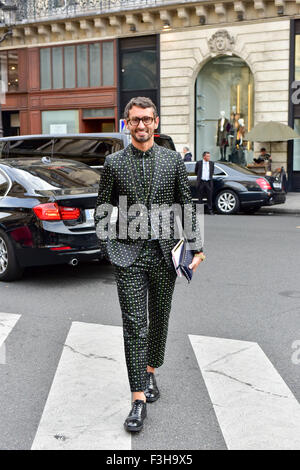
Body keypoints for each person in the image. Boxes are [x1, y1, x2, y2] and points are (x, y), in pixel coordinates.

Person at [94, 97, 204, 433]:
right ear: (126, 123)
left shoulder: (172, 161)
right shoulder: (113, 164)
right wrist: (108, 246)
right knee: (133, 324)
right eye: (134, 120)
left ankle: (151, 371)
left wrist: (196, 248)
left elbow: (185, 205)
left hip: (164, 254)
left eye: (146, 119)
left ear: (155, 121)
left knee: (159, 318)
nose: (140, 126)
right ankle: (138, 398)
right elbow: (102, 210)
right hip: (128, 256)